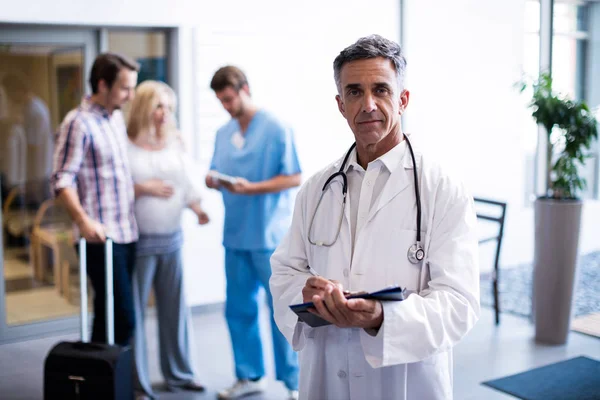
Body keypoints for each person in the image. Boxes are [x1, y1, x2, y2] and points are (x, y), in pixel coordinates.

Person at [269, 35, 480, 400]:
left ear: (403, 99)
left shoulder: (442, 187)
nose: (368, 105)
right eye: (354, 92)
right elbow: (285, 271)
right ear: (340, 104)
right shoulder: (317, 188)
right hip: (327, 377)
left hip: (406, 384)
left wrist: (381, 317)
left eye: (381, 90)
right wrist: (303, 291)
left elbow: (459, 304)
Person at [205, 66, 301, 400]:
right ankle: (248, 375)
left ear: (245, 88)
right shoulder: (223, 132)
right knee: (238, 310)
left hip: (268, 238)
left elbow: (294, 176)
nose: (226, 106)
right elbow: (219, 170)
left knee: (282, 312)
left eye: (229, 98)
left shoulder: (276, 128)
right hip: (235, 236)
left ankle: (294, 383)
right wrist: (214, 180)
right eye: (220, 101)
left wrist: (255, 188)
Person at [127, 80, 209, 400]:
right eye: (159, 106)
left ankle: (180, 375)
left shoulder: (176, 141)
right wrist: (145, 188)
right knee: (134, 314)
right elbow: (115, 187)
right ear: (144, 107)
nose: (164, 114)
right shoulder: (126, 143)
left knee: (175, 312)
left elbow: (186, 182)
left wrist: (198, 207)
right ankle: (138, 384)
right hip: (138, 241)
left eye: (169, 108)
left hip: (172, 238)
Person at [51, 52, 140, 346]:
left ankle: (103, 382)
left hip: (127, 232)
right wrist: (82, 221)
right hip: (99, 237)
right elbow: (62, 178)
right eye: (125, 88)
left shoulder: (114, 119)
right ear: (103, 85)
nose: (130, 95)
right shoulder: (77, 123)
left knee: (108, 315)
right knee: (124, 317)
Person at [1, 72, 53, 203]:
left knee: (36, 210)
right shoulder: (30, 107)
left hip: (38, 175)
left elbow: (32, 147)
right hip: (36, 174)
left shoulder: (34, 110)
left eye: (10, 93)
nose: (10, 98)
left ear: (17, 90)